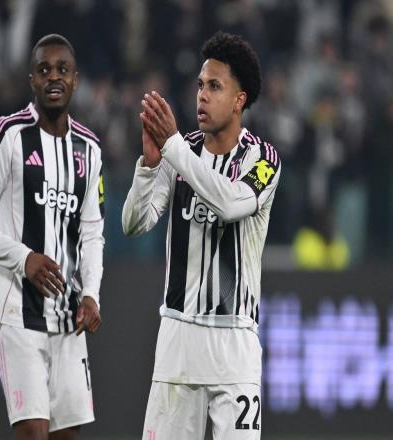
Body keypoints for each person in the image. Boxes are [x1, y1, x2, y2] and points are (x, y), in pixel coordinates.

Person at [122, 31, 281, 440]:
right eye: (199, 85)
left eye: (214, 86)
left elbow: (230, 203)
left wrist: (172, 148)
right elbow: (135, 223)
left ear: (239, 100)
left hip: (235, 343)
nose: (202, 96)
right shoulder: (180, 151)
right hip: (178, 339)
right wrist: (148, 167)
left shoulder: (263, 159)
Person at [0, 34, 105, 440]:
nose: (53, 77)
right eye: (44, 70)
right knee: (32, 432)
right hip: (17, 313)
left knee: (66, 436)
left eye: (62, 70)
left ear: (75, 80)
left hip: (69, 318)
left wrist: (91, 293)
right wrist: (24, 258)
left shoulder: (90, 148)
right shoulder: (8, 134)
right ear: (32, 80)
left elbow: (92, 231)